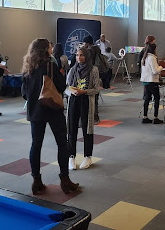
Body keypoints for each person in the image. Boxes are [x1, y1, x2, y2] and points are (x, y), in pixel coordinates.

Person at [21, 38, 79, 195]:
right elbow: (60, 86)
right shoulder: (50, 65)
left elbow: (24, 93)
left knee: (36, 145)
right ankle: (65, 180)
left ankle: (36, 180)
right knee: (62, 143)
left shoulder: (28, 67)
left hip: (35, 111)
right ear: (45, 49)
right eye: (49, 45)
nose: (52, 47)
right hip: (52, 109)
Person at [66, 46, 101, 171]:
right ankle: (71, 156)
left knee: (87, 129)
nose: (78, 57)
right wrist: (72, 92)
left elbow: (97, 89)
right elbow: (66, 87)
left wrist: (84, 91)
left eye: (81, 55)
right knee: (72, 129)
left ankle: (88, 156)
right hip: (74, 101)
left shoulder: (93, 70)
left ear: (86, 56)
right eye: (77, 55)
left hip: (86, 101)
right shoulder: (73, 69)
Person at [82, 35, 107, 124]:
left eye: (84, 42)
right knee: (95, 96)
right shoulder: (97, 49)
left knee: (89, 96)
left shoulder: (89, 51)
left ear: (87, 43)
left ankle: (91, 117)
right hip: (97, 74)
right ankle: (95, 116)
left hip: (90, 75)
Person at [140, 43, 164, 124]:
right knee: (156, 98)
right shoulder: (152, 58)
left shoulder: (144, 57)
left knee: (147, 98)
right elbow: (155, 70)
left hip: (145, 80)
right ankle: (155, 117)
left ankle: (145, 117)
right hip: (152, 80)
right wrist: (161, 67)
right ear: (153, 49)